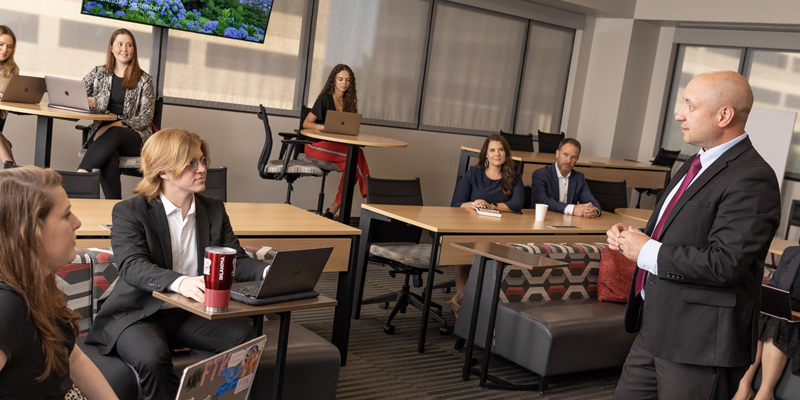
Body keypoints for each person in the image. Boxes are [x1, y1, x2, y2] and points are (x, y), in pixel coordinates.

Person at [607, 71, 781, 399]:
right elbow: (680, 232)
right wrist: (634, 237)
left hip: (700, 344)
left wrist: (646, 251)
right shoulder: (695, 162)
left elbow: (725, 263)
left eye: (690, 105)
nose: (679, 114)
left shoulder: (753, 178)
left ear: (724, 115)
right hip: (655, 328)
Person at [85, 128, 270, 399]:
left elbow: (235, 259)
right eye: (191, 163)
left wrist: (268, 271)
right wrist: (180, 281)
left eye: (203, 160)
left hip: (192, 312)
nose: (202, 168)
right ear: (163, 171)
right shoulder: (130, 211)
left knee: (246, 342)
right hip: (139, 313)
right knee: (152, 359)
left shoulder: (214, 208)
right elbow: (132, 265)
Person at [0, 166, 118, 399]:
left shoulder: (37, 285)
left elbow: (72, 358)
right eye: (66, 215)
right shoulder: (7, 306)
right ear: (30, 233)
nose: (77, 222)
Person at [450, 134, 523, 314]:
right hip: (471, 226)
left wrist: (491, 206)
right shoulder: (474, 173)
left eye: (501, 149)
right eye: (492, 150)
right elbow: (456, 203)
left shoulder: (514, 176)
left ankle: (462, 299)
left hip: (500, 229)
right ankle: (462, 294)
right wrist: (471, 204)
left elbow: (517, 205)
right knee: (469, 243)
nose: (497, 153)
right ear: (486, 155)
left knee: (486, 245)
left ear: (506, 153)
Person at [78, 28, 154, 199]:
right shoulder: (98, 73)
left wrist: (116, 125)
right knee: (109, 154)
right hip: (101, 136)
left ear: (134, 49)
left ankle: (81, 175)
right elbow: (77, 92)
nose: (124, 49)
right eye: (120, 44)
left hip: (133, 136)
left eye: (129, 45)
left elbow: (145, 118)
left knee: (114, 134)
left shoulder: (144, 80)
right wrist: (86, 100)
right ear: (112, 48)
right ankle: (114, 206)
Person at [302, 64, 369, 219]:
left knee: (351, 165)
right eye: (340, 79)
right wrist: (323, 127)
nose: (344, 83)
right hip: (315, 146)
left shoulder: (347, 103)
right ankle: (369, 195)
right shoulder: (325, 99)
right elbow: (306, 123)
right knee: (356, 156)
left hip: (333, 147)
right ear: (334, 80)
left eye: (347, 80)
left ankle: (333, 208)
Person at [733, 246, 800, 400]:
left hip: (794, 319)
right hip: (782, 311)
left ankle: (765, 393)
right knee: (757, 318)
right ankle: (743, 388)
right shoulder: (791, 252)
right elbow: (775, 286)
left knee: (778, 325)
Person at [529, 138, 601, 217]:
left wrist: (594, 211)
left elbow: (592, 203)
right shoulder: (541, 174)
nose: (568, 160)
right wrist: (572, 209)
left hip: (567, 223)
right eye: (565, 155)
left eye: (573, 157)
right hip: (544, 219)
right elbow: (541, 201)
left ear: (577, 159)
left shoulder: (579, 178)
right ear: (557, 154)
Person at [0, 25, 19, 166]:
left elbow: (12, 94)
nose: (5, 50)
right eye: (1, 44)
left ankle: (10, 165)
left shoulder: (13, 69)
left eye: (9, 46)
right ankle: (11, 166)